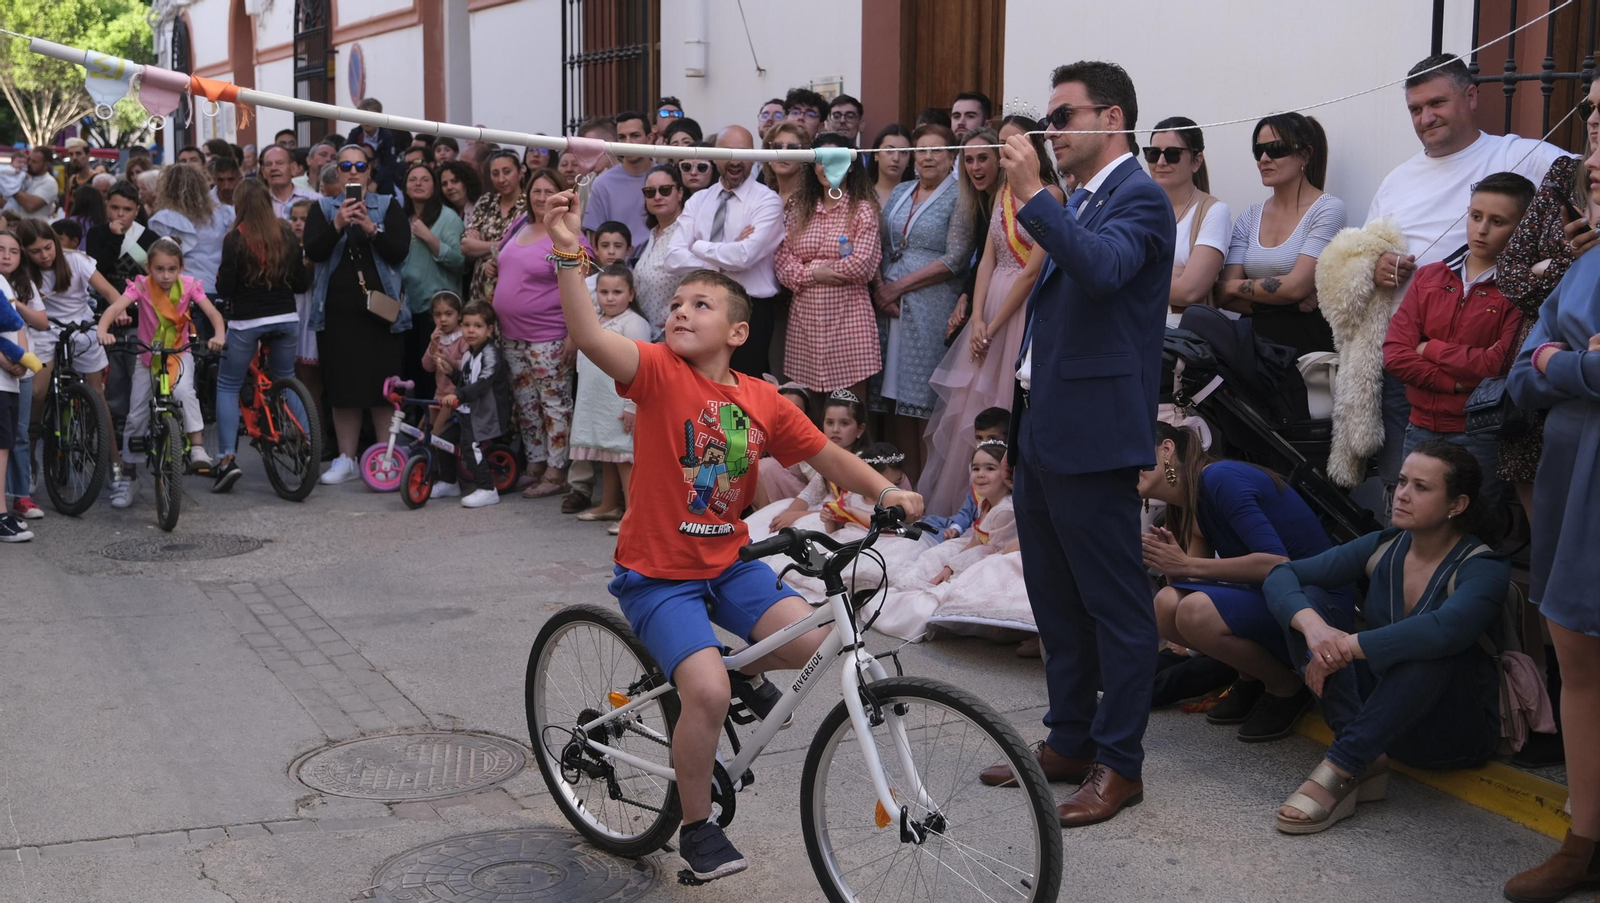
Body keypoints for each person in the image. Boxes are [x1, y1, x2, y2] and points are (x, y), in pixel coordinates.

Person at [544, 182, 924, 881]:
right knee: (709, 693)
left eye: (701, 304)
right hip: (659, 576)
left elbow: (827, 455)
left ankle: (732, 669)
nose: (681, 312)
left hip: (729, 563)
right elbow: (590, 335)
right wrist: (569, 251)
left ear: (738, 333)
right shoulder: (657, 372)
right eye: (676, 303)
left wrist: (886, 489)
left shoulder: (761, 400)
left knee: (810, 647)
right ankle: (697, 827)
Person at [981, 60, 1173, 827]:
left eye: (1063, 116)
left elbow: (1102, 271)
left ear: (1111, 117)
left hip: (1094, 435)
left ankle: (1120, 763)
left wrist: (1033, 194)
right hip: (1045, 425)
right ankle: (1069, 737)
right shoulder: (1083, 197)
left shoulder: (1140, 198)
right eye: (1048, 118)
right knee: (1055, 598)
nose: (1050, 130)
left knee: (1115, 606)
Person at [1264, 440, 1508, 834]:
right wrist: (1314, 628)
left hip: (1451, 732)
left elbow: (1447, 630)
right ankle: (1363, 758)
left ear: (1457, 504)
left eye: (1421, 487)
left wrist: (1345, 646)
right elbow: (1282, 574)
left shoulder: (1484, 567)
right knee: (1307, 605)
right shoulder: (1385, 544)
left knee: (1431, 650)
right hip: (1380, 722)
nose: (1402, 495)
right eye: (1401, 481)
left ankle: (1341, 766)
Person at [1365, 54, 1570, 492]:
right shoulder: (1396, 179)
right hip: (1408, 370)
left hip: (1484, 371)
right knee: (1404, 491)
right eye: (1415, 109)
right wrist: (1375, 266)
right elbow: (1366, 253)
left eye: (1437, 103)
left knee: (1475, 497)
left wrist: (1544, 265)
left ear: (1471, 96)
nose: (1425, 117)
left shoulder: (1518, 153)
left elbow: (1584, 184)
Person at [1503, 113, 1600, 901]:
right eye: (1593, 123)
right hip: (1572, 463)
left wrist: (1553, 360)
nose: (1593, 151)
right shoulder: (1584, 261)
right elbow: (1518, 374)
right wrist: (1569, 362)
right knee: (1574, 649)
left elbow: (1542, 363)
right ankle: (1585, 836)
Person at [1141, 422, 1354, 740]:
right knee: (1167, 604)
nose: (1123, 467)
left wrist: (1184, 562)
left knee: (1195, 611)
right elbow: (1190, 582)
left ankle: (1285, 687)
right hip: (1275, 601)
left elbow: (1276, 563)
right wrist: (1171, 563)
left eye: (1133, 455)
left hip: (1314, 604)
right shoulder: (1188, 498)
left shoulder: (1219, 478)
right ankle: (1252, 678)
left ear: (1166, 450)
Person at [921, 118, 1057, 516]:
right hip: (991, 304)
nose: (1004, 151)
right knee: (973, 405)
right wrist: (977, 318)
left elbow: (1033, 271)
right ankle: (966, 512)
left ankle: (1009, 512)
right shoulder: (1002, 191)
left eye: (1011, 143)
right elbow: (986, 261)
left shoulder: (1050, 195)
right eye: (1001, 143)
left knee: (1009, 402)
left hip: (1023, 309)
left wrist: (994, 327)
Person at [1383, 171, 1532, 523]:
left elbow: (1498, 365)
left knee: (1473, 529)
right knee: (1411, 527)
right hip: (1419, 426)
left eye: (1497, 221)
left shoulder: (1519, 289)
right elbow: (1395, 355)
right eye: (1475, 216)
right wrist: (1455, 383)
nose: (1481, 230)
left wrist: (1430, 347)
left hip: (1480, 433)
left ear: (1521, 228)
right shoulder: (1430, 276)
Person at [305, 144, 411, 486]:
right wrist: (337, 223)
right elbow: (314, 251)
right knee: (342, 388)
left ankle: (386, 456)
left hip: (381, 314)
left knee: (383, 389)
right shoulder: (322, 208)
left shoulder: (389, 206)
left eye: (360, 166)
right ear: (337, 171)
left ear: (369, 171)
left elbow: (399, 252)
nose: (353, 171)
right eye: (346, 166)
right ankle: (346, 458)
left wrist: (371, 228)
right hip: (337, 315)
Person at [874, 123, 973, 482]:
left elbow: (956, 258)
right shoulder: (902, 190)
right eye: (921, 150)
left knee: (923, 403)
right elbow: (880, 242)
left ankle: (929, 490)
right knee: (894, 401)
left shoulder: (961, 195)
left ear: (952, 156)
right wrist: (880, 287)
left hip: (930, 308)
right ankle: (904, 484)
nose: (928, 157)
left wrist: (897, 288)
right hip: (890, 308)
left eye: (937, 150)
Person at [95, 238, 226, 505]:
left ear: (181, 268)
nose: (166, 276)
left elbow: (213, 314)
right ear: (148, 268)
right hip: (147, 357)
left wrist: (219, 335)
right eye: (159, 269)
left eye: (172, 269)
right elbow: (115, 308)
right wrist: (102, 330)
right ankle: (129, 477)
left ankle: (197, 447)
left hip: (179, 354)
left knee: (185, 393)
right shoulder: (141, 286)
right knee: (136, 415)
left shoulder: (189, 286)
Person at [209, 180, 312, 492]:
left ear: (239, 205)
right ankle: (308, 444)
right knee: (286, 377)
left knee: (228, 384)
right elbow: (300, 284)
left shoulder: (235, 239)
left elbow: (225, 288)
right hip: (286, 318)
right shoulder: (286, 234)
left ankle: (227, 460)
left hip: (247, 323)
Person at [1216, 113, 1342, 357]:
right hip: (1253, 345)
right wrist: (1290, 304)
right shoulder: (1250, 216)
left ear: (1305, 154)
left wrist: (1233, 286)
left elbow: (1296, 286)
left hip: (1303, 346)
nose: (1264, 159)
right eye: (1259, 150)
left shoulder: (1327, 209)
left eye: (1275, 149)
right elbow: (1222, 296)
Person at [492, 168, 581, 499]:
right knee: (526, 404)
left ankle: (556, 472)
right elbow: (506, 260)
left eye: (549, 192)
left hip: (549, 334)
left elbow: (581, 285)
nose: (542, 198)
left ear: (562, 196)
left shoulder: (567, 231)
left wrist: (574, 334)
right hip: (512, 335)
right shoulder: (520, 224)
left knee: (554, 404)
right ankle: (535, 464)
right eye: (536, 191)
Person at [665, 126, 785, 367]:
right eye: (727, 151)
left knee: (744, 383)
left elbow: (744, 256)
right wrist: (725, 254)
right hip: (699, 307)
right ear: (714, 155)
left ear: (754, 155)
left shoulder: (767, 201)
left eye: (743, 152)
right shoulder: (699, 200)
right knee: (699, 380)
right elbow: (672, 258)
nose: (735, 160)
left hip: (749, 310)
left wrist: (697, 246)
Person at [775, 133, 883, 396]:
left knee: (850, 408)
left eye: (836, 160)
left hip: (849, 319)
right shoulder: (798, 210)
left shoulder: (863, 210)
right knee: (809, 408)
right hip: (805, 323)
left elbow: (861, 266)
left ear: (851, 166)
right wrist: (816, 273)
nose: (827, 167)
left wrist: (807, 268)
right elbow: (782, 265)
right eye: (821, 160)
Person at [570, 264, 651, 529]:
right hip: (598, 401)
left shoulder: (634, 323)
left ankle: (633, 514)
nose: (610, 298)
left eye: (617, 292)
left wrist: (632, 406)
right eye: (604, 292)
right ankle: (609, 505)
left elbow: (641, 368)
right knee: (607, 454)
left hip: (619, 402)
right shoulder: (595, 321)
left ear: (631, 294)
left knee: (624, 457)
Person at [747, 389, 871, 534]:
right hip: (823, 511)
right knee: (775, 520)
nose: (835, 430)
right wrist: (788, 514)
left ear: (860, 430)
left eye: (844, 423)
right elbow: (809, 494)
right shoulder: (827, 457)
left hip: (841, 521)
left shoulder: (862, 462)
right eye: (830, 423)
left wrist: (797, 515)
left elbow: (850, 510)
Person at [1145, 117, 1229, 324]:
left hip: (1179, 333)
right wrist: (1174, 275)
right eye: (1153, 153)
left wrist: (1132, 276)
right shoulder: (1137, 209)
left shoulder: (1213, 211)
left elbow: (1189, 291)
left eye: (1172, 154)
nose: (1161, 162)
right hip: (1131, 327)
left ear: (1196, 161)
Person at [429, 300, 511, 508]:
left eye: (477, 326)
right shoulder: (468, 354)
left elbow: (482, 384)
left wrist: (458, 394)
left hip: (487, 412)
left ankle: (487, 489)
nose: (471, 330)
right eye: (466, 325)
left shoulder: (491, 354)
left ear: (489, 329)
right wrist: (451, 372)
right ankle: (449, 482)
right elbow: (466, 381)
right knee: (443, 439)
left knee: (470, 444)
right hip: (467, 410)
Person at [401, 162, 466, 402]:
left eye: (425, 179)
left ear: (434, 186)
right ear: (405, 187)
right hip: (407, 309)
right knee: (414, 372)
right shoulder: (402, 217)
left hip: (438, 311)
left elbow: (459, 261)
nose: (418, 183)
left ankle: (436, 424)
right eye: (413, 179)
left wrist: (429, 238)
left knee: (435, 379)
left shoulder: (448, 218)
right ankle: (420, 421)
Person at [1, 229, 41, 524]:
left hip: (16, 371)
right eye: (1, 249)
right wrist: (7, 361)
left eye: (13, 251)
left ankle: (18, 496)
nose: (6, 256)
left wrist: (22, 361)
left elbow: (25, 326)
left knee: (17, 434)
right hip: (5, 369)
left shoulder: (17, 284)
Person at [147, 162, 235, 297]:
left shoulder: (163, 219)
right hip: (215, 285)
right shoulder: (224, 213)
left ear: (167, 187)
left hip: (182, 289)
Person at [462, 150, 527, 305]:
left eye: (507, 172)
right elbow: (466, 245)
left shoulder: (528, 206)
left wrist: (481, 246)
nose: (501, 179)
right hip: (481, 284)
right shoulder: (486, 202)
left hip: (514, 282)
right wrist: (503, 245)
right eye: (495, 174)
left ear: (520, 173)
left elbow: (522, 249)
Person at [581, 112, 654, 249]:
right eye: (622, 137)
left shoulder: (665, 177)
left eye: (635, 136)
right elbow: (595, 240)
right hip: (618, 261)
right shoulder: (602, 184)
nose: (628, 142)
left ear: (649, 138)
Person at [0, 276, 26, 541]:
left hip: (9, 382)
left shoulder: (3, 281)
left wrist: (23, 359)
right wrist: (6, 361)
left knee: (5, 445)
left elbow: (18, 325)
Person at [420, 290, 467, 437]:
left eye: (448, 314)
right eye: (437, 315)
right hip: (439, 395)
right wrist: (433, 345)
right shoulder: (438, 338)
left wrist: (450, 361)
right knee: (421, 432)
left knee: (435, 435)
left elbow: (468, 366)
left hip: (455, 397)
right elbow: (427, 366)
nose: (443, 319)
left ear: (459, 315)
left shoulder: (464, 338)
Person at [345, 97, 408, 194]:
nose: (367, 121)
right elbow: (347, 154)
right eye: (363, 116)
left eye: (372, 117)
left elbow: (389, 163)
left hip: (382, 178)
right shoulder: (355, 134)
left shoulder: (386, 136)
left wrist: (375, 182)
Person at [259, 145, 317, 220]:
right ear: (263, 171)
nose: (273, 168)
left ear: (293, 168)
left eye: (280, 163)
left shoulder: (314, 199)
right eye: (269, 164)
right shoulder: (258, 203)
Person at [866, 124, 913, 207]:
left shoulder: (915, 195)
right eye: (889, 150)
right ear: (876, 154)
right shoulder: (861, 194)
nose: (896, 158)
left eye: (903, 152)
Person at [3, 148, 59, 218]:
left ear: (46, 165)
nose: (29, 163)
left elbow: (30, 206)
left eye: (34, 161)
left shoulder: (49, 182)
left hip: (34, 225)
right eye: (29, 159)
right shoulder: (23, 176)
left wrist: (10, 186)